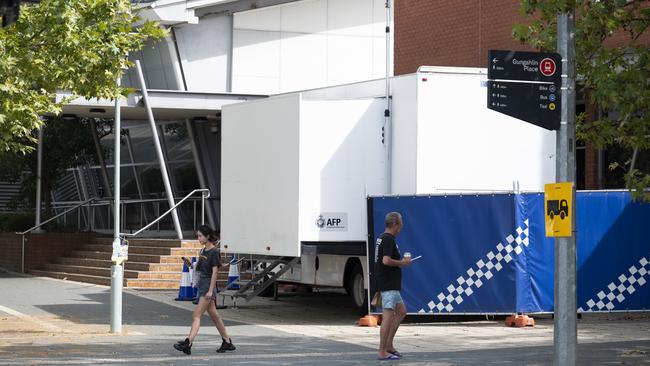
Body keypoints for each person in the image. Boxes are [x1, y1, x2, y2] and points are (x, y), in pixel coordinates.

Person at [174, 225, 236, 355]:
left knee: (196, 315)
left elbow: (215, 273)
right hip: (202, 286)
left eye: (200, 236)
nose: (198, 238)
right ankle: (227, 342)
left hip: (208, 287)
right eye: (198, 236)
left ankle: (188, 343)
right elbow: (199, 269)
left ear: (207, 236)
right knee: (214, 316)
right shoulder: (202, 251)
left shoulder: (214, 252)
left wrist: (210, 290)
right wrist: (190, 264)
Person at [374, 212, 411, 360]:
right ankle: (382, 351)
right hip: (388, 283)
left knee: (401, 311)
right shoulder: (388, 239)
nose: (402, 226)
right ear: (395, 224)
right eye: (401, 222)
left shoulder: (382, 238)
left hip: (388, 282)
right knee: (388, 316)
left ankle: (388, 345)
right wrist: (402, 263)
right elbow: (386, 260)